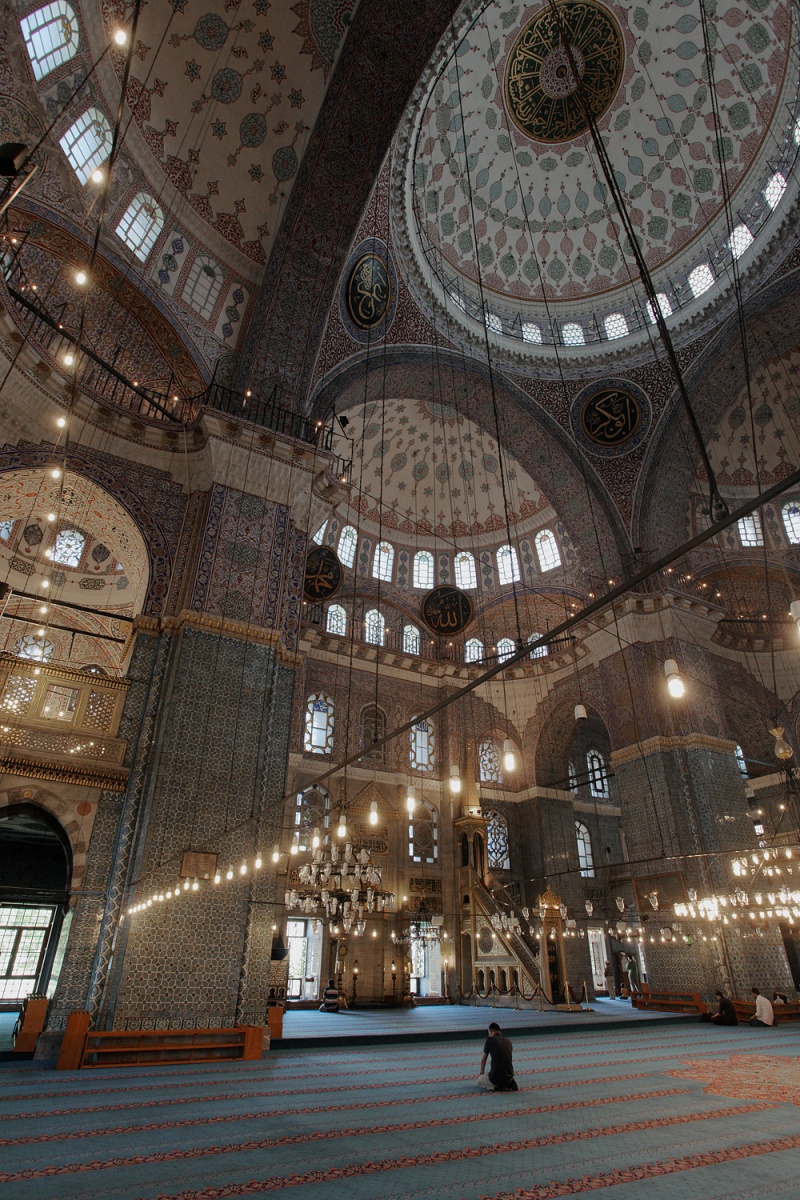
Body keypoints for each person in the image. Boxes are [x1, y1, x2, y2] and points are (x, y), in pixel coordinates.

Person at [478, 1022, 518, 1092]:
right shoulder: (508, 1041)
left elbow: (483, 1060)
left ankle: (497, 1088)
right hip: (509, 1077)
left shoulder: (489, 1040)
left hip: (496, 1079)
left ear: (490, 1031)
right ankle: (510, 1083)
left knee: (479, 1081)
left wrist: (481, 1073)